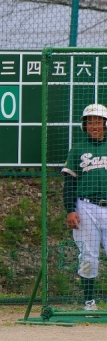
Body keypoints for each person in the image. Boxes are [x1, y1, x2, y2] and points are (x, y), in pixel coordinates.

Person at [62, 103, 107, 311]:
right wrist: (70, 209)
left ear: (105, 124)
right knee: (89, 256)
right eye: (90, 122)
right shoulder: (78, 149)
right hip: (86, 207)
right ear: (85, 126)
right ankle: (89, 302)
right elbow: (69, 183)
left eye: (98, 121)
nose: (94, 126)